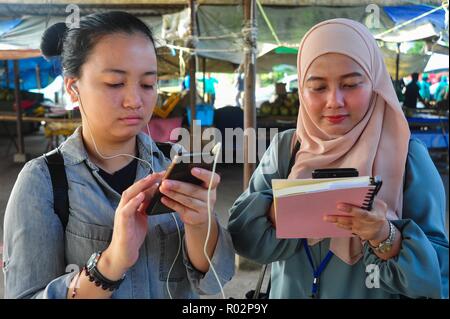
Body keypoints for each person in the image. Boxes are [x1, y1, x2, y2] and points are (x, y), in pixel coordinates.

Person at [3, 11, 234, 299]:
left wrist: (200, 223)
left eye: (148, 84)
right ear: (73, 88)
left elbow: (214, 282)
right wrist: (111, 262)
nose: (135, 101)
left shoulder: (173, 162)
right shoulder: (43, 181)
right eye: (115, 83)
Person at [228, 19, 448, 299]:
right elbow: (243, 240)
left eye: (351, 84)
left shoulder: (407, 156)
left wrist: (385, 236)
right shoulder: (287, 149)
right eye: (318, 87)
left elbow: (440, 275)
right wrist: (280, 210)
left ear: (375, 83)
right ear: (302, 89)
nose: (335, 101)